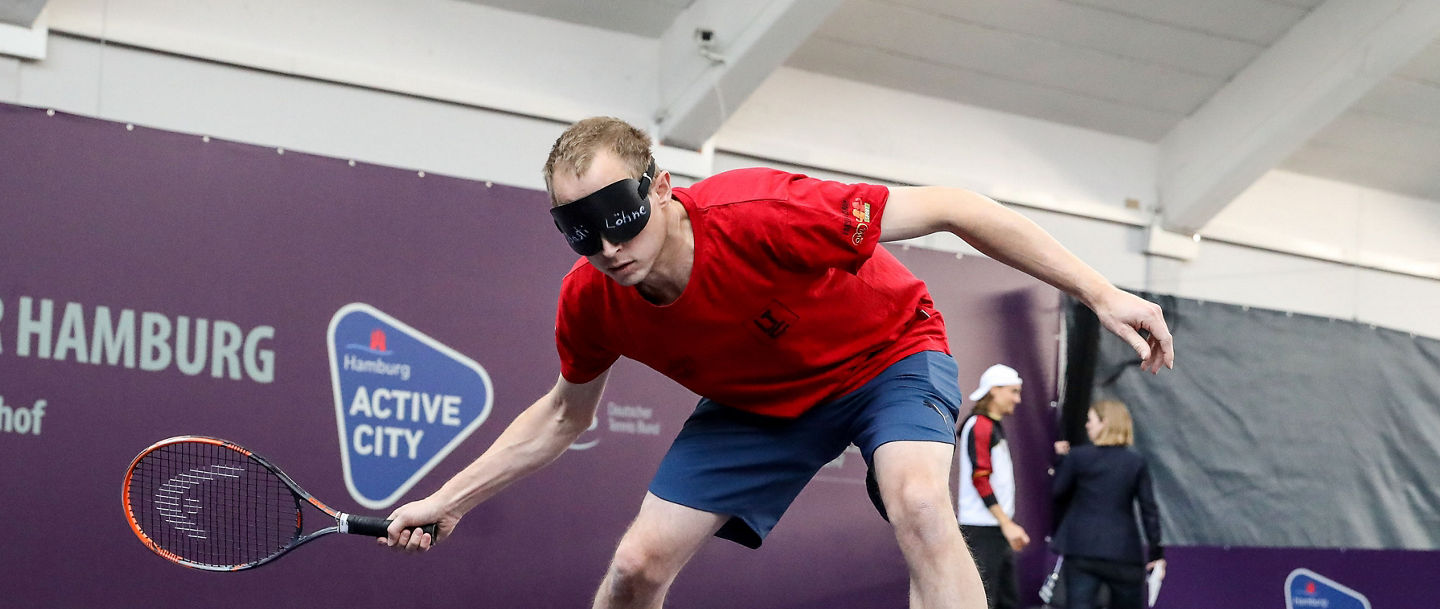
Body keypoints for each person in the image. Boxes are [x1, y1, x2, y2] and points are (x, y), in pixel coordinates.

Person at [379, 116, 1175, 609]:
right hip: (756, 401)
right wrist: (450, 499)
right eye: (581, 230)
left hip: (884, 354)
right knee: (634, 566)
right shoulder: (592, 297)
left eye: (619, 216)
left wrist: (1102, 293)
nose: (610, 246)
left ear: (660, 187)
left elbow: (955, 207)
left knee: (922, 504)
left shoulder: (763, 213)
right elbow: (562, 414)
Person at [1051, 400, 1165, 609]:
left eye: (1091, 420)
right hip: (1123, 551)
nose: (1087, 425)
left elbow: (1058, 491)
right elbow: (1149, 509)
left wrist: (1061, 461)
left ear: (1105, 423)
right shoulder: (1135, 462)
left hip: (1081, 547)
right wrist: (1156, 553)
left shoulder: (1077, 457)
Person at [956, 364, 1029, 609]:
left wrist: (1005, 524)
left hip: (994, 528)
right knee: (984, 601)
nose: (1017, 400)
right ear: (994, 391)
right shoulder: (980, 425)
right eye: (1013, 391)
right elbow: (981, 478)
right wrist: (1007, 523)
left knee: (1006, 600)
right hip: (982, 529)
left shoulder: (989, 425)